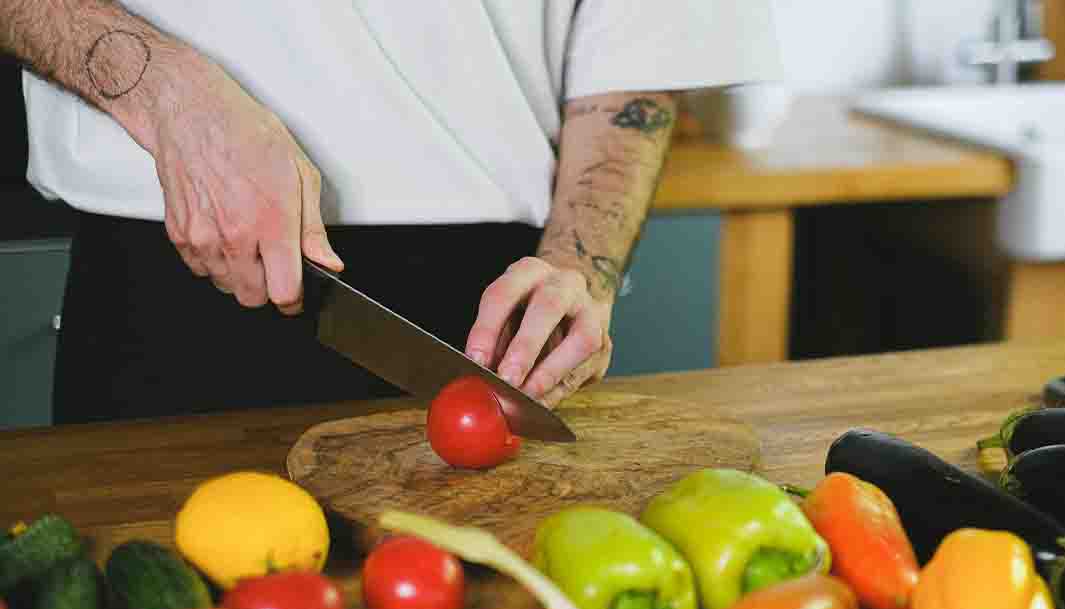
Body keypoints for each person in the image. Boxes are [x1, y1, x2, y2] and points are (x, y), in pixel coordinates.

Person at [1, 1, 781, 423]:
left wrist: (582, 265)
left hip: (491, 323)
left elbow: (639, 48)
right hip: (168, 278)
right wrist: (164, 93)